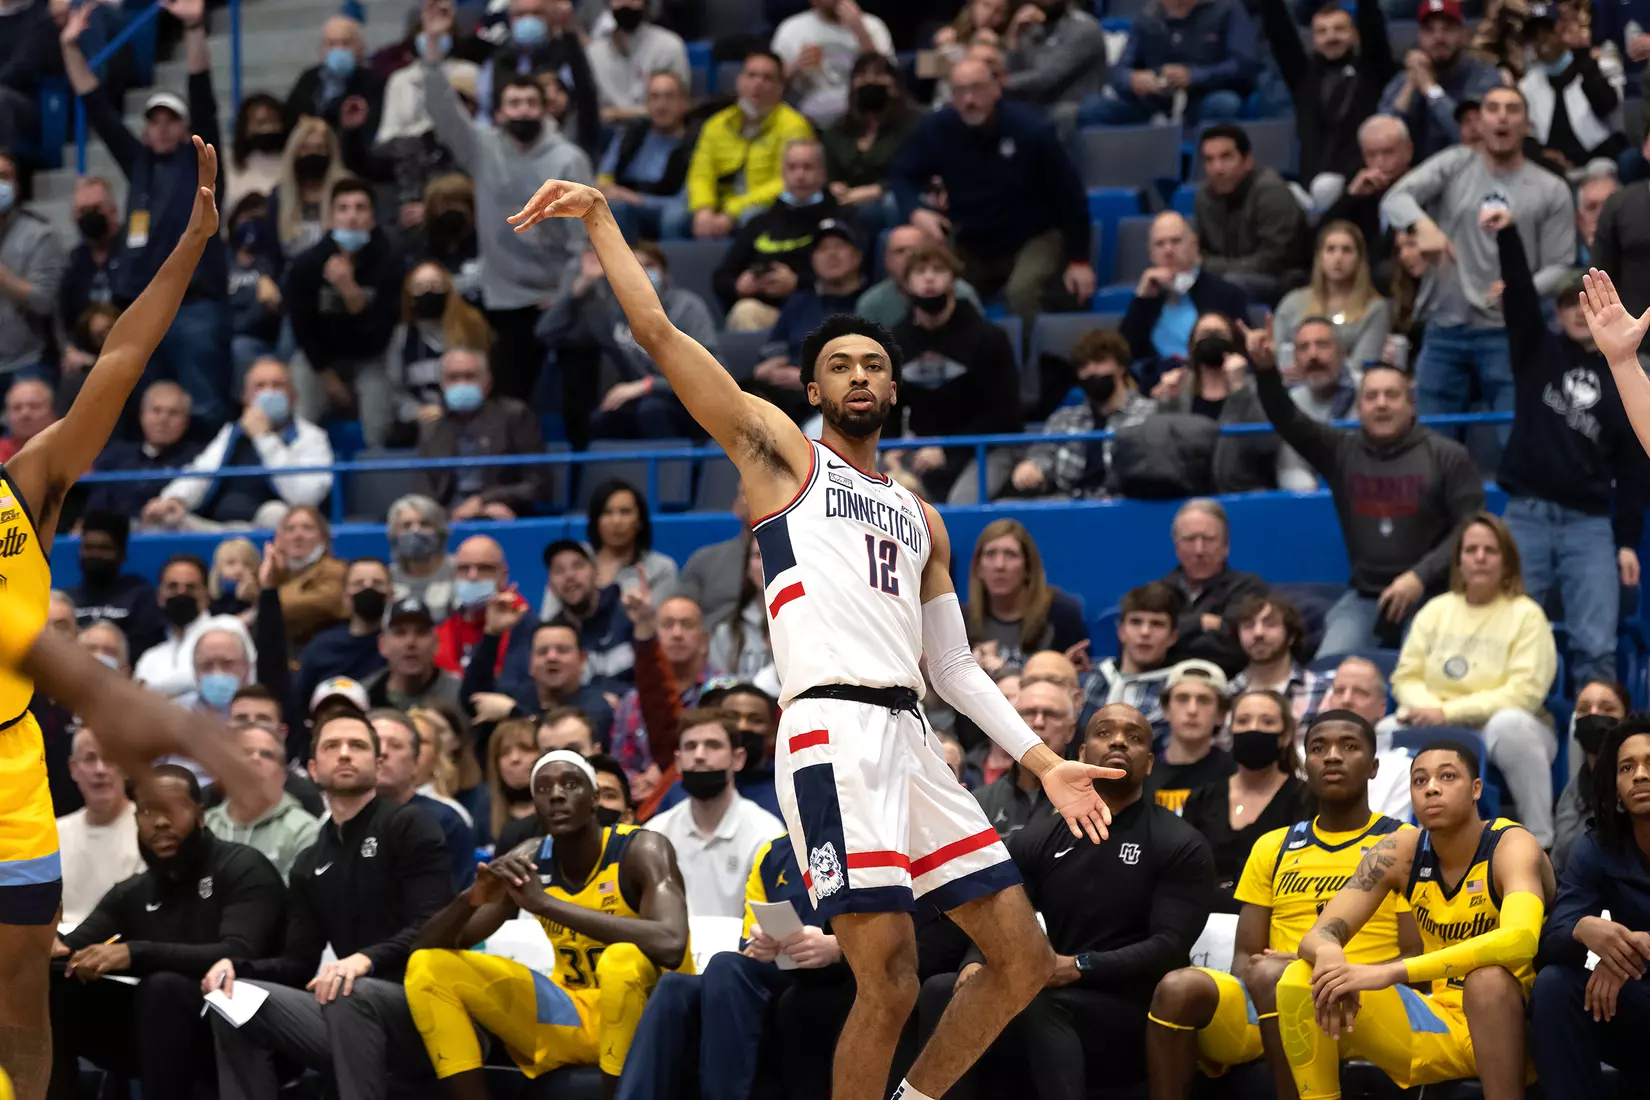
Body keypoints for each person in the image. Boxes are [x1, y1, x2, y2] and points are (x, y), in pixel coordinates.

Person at [511, 175, 1123, 1100]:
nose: (860, 377)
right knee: (887, 980)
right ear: (812, 387)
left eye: (874, 365)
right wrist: (601, 220)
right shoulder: (782, 456)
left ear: (894, 386)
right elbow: (664, 339)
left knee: (1024, 960)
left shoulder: (922, 515)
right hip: (830, 735)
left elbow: (952, 663)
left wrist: (1041, 762)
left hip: (913, 739)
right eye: (841, 365)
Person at [0, 127, 226, 1100]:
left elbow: (122, 357)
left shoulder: (25, 484)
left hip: (12, 771)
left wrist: (188, 243)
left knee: (21, 1003)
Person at [1146, 709, 1419, 1100]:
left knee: (1279, 976)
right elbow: (1245, 957)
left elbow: (1414, 957)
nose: (1333, 756)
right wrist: (1284, 982)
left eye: (1349, 746)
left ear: (1373, 767)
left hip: (1358, 1003)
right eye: (1319, 748)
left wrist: (1319, 976)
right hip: (1270, 1000)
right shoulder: (1273, 845)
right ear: (1305, 766)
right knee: (1178, 987)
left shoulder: (1403, 843)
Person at [1274, 741, 1557, 1100]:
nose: (1431, 788)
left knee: (1487, 981)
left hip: (1514, 1028)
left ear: (1476, 789)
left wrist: (1392, 972)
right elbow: (1319, 934)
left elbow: (1519, 939)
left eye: (1447, 776)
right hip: (1439, 1021)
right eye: (1419, 781)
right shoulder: (1400, 850)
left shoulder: (1510, 844)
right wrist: (1329, 952)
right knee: (1301, 977)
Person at [404, 748, 694, 1093]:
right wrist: (470, 900)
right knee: (427, 966)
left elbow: (672, 943)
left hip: (656, 1018)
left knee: (621, 960)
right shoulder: (528, 858)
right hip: (575, 1015)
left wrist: (546, 906)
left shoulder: (640, 849)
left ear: (595, 798)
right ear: (535, 804)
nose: (556, 795)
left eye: (571, 784)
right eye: (543, 789)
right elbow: (427, 946)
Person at [203, 709, 454, 1100]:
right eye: (332, 746)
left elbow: (436, 925)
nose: (345, 754)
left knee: (347, 990)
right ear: (314, 769)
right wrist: (237, 968)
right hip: (347, 1008)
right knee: (232, 998)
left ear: (377, 762)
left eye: (358, 746)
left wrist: (365, 959)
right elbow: (298, 962)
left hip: (419, 1006)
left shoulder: (408, 825)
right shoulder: (310, 860)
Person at [49, 765, 286, 1100]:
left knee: (163, 989)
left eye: (172, 810)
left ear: (201, 816)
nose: (159, 822)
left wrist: (134, 953)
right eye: (146, 812)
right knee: (53, 986)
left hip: (242, 1025)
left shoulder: (243, 867)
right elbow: (69, 948)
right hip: (157, 1029)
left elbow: (239, 952)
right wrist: (46, 948)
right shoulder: (132, 892)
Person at [1246, 330, 1485, 657]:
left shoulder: (1448, 455)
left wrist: (1419, 576)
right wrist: (1265, 371)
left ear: (1410, 404)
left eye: (1391, 395)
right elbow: (1288, 420)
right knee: (1327, 672)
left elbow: (1472, 527)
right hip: (1364, 597)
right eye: (1371, 397)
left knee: (1423, 678)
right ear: (1359, 407)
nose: (1382, 404)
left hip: (1434, 596)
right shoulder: (1340, 451)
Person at [1490, 216, 1646, 690]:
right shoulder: (1536, 351)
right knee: (1507, 643)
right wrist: (1507, 233)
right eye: (1568, 304)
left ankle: (1595, 752)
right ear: (1557, 314)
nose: (1579, 313)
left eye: (1586, 304)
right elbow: (1517, 298)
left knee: (1596, 648)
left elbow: (1636, 468)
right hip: (1526, 514)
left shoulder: (1626, 378)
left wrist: (1625, 540)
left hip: (1590, 522)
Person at [60, 1, 231, 431]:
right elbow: (97, 108)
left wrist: (193, 29)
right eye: (153, 119)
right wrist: (71, 50)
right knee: (141, 411)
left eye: (171, 119)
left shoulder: (202, 164)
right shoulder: (138, 164)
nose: (161, 127)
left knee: (205, 403)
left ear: (183, 125)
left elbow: (202, 94)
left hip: (194, 305)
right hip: (142, 308)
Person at [420, 2, 595, 402]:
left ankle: (581, 461)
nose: (523, 111)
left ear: (544, 109)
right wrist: (433, 45)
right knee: (509, 398)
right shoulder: (482, 148)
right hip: (507, 297)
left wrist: (567, 292)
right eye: (514, 104)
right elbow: (442, 110)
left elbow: (583, 238)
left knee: (577, 396)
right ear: (498, 113)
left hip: (564, 293)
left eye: (531, 103)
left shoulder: (568, 158)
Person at [1381, 85, 1577, 421]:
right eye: (1493, 109)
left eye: (1512, 109)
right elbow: (1395, 198)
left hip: (1509, 332)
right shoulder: (1455, 163)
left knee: (1514, 436)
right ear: (1480, 123)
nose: (1502, 116)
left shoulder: (1551, 188)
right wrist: (1421, 226)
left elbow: (1561, 265)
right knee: (1431, 439)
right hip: (1445, 326)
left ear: (1528, 124)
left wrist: (1521, 288)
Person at [1390, 512, 1560, 845]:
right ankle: (1389, 843)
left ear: (1506, 561)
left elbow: (1525, 693)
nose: (1480, 557)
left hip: (1504, 726)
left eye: (1490, 550)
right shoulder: (1436, 610)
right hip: (1437, 722)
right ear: (1459, 561)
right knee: (1381, 733)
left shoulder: (1526, 615)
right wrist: (1431, 711)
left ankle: (1542, 844)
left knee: (1510, 726)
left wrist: (1448, 713)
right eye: (1471, 550)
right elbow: (1405, 677)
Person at [890, 56, 1095, 328]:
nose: (969, 99)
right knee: (931, 285)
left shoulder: (1031, 130)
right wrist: (916, 211)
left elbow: (1071, 195)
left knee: (1021, 293)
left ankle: (1027, 366)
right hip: (970, 239)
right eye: (960, 92)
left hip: (1033, 236)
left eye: (977, 88)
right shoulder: (937, 129)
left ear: (996, 88)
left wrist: (1079, 259)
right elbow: (901, 172)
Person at [1531, 715, 1650, 1097]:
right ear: (1615, 790)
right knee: (1554, 986)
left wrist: (1626, 958)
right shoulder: (1598, 845)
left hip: (1634, 979)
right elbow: (1551, 939)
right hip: (1637, 1006)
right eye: (1627, 767)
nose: (1640, 776)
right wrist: (1583, 929)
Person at [538, 241, 718, 442]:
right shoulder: (613, 313)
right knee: (603, 419)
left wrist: (647, 385)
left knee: (652, 409)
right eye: (632, 266)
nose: (641, 272)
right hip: (641, 399)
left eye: (648, 266)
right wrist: (581, 288)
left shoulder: (688, 308)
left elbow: (707, 374)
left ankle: (676, 472)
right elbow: (547, 332)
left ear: (665, 273)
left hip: (690, 402)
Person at [887, 239, 1022, 505]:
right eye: (920, 272)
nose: (929, 279)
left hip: (987, 447)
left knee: (962, 504)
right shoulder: (894, 342)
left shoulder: (989, 337)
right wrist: (891, 448)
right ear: (906, 284)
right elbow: (889, 405)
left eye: (938, 271)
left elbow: (1005, 413)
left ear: (953, 281)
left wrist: (948, 448)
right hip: (921, 450)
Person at [142, 358, 335, 532]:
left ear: (293, 395)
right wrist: (175, 499)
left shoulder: (311, 437)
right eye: (260, 386)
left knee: (275, 513)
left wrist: (264, 437)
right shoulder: (232, 432)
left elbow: (305, 498)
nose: (269, 392)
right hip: (218, 529)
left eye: (278, 385)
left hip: (270, 531)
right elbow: (200, 472)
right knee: (162, 519)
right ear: (246, 397)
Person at [285, 178, 406, 446]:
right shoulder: (308, 264)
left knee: (378, 424)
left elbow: (381, 336)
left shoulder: (390, 263)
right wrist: (327, 376)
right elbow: (302, 328)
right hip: (320, 358)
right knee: (303, 408)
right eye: (343, 208)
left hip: (371, 356)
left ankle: (376, 474)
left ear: (373, 218)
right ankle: (302, 463)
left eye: (360, 208)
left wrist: (352, 294)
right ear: (330, 218)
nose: (352, 217)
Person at [643, 709, 785, 917]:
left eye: (713, 745)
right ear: (679, 761)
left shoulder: (766, 832)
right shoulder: (656, 833)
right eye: (690, 747)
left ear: (738, 759)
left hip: (743, 948)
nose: (699, 756)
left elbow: (775, 921)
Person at [1258, 0, 1395, 207]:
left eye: (1339, 29)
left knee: (1326, 186)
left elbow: (1373, 26)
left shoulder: (1371, 71)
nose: (1331, 37)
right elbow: (1279, 32)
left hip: (1359, 186)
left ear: (1355, 35)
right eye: (1322, 31)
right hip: (1310, 189)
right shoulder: (1303, 77)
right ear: (1313, 40)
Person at [1182, 689, 1310, 909]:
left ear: (1286, 735)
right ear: (1231, 730)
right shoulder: (1203, 798)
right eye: (1243, 721)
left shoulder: (1306, 798)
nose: (1253, 729)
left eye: (1267, 722)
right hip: (1203, 924)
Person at [711, 138, 854, 329]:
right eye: (792, 168)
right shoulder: (760, 222)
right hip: (767, 311)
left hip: (819, 310)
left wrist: (797, 282)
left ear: (822, 174)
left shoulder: (841, 218)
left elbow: (851, 276)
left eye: (807, 167)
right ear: (783, 173)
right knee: (745, 311)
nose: (800, 175)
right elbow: (721, 276)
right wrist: (740, 284)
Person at [1013, 328, 1157, 498]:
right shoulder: (1064, 418)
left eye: (1099, 361)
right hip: (1070, 503)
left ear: (1121, 366)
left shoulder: (1151, 414)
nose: (1091, 371)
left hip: (1128, 504)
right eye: (1084, 366)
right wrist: (1032, 467)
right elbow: (1043, 454)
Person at [686, 49, 816, 238]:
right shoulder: (716, 124)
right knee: (675, 218)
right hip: (719, 202)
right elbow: (700, 172)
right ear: (739, 81)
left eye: (767, 78)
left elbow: (788, 181)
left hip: (763, 202)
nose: (758, 83)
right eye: (751, 75)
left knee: (751, 217)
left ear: (780, 88)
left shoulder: (794, 126)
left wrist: (733, 210)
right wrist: (703, 208)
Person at [417, 347, 548, 519]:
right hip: (449, 520)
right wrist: (451, 515)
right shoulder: (432, 428)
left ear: (488, 383)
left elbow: (539, 484)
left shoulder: (514, 416)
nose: (461, 384)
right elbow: (423, 495)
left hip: (502, 514)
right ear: (443, 385)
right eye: (453, 378)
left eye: (470, 376)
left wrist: (484, 501)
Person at [1083, 0, 1258, 125]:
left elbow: (1243, 66)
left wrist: (1193, 76)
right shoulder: (1148, 16)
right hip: (1154, 100)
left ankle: (1208, 168)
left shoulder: (1228, 9)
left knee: (1223, 103)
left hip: (1203, 96)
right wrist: (1133, 79)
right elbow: (1118, 71)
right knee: (1093, 109)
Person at [1193, 124, 1311, 305]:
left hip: (1281, 281)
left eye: (1226, 157)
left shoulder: (1271, 192)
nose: (1217, 168)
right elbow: (1194, 254)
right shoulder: (1204, 198)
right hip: (1229, 276)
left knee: (1229, 283)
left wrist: (1211, 266)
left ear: (1247, 161)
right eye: (1209, 160)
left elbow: (1272, 261)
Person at [1120, 211, 1250, 372]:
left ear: (1194, 246)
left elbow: (1241, 351)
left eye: (1176, 241)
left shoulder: (1227, 294)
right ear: (1151, 254)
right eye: (1160, 244)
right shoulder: (1147, 298)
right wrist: (1142, 300)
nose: (1168, 250)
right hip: (1157, 384)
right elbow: (1123, 356)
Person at [1377, 0, 1505, 159]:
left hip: (1471, 170)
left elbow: (1474, 138)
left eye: (1448, 29)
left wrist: (1431, 89)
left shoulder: (1485, 78)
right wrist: (1410, 86)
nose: (1439, 37)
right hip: (1417, 175)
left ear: (1463, 35)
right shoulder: (1404, 79)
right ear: (1419, 36)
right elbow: (1382, 140)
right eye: (1429, 30)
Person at [963, 518, 1090, 669]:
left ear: (1028, 568)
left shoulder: (1061, 615)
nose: (999, 565)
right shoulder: (962, 620)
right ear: (978, 568)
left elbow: (1078, 679)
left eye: (1010, 554)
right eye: (990, 554)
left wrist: (1004, 672)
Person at [372, 709, 476, 891]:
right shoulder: (337, 819)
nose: (383, 753)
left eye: (395, 745)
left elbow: (458, 903)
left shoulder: (445, 821)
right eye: (373, 744)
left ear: (415, 761)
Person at [1161, 498, 1267, 676]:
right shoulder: (1158, 593)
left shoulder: (1248, 588)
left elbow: (1235, 649)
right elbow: (1139, 647)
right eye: (1189, 539)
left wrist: (1172, 636)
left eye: (1209, 539)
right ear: (1177, 548)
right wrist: (1201, 622)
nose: (1199, 550)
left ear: (1226, 546)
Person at [204, 721, 322, 879]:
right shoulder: (206, 825)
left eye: (266, 755)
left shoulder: (305, 831)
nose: (255, 759)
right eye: (245, 752)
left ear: (282, 775)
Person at [1272, 222, 1392, 375]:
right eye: (1330, 250)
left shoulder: (1375, 308)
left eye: (1347, 250)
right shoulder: (1292, 302)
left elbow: (1361, 367)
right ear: (1320, 256)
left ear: (1359, 258)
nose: (1338, 258)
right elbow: (1278, 356)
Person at [54, 727, 142, 933]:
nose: (100, 770)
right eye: (90, 759)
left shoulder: (149, 831)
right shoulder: (54, 833)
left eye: (110, 758)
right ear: (73, 768)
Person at [1519, 2, 1624, 173]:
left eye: (1548, 31)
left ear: (1563, 29)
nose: (1542, 41)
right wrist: (1542, 155)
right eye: (1534, 36)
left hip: (1598, 160)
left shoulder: (1603, 66)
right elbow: (1527, 135)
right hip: (1551, 169)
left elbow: (1606, 106)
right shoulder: (1527, 85)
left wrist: (1582, 52)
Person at [821, 53, 918, 231]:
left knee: (886, 206)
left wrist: (878, 190)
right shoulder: (837, 130)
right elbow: (829, 173)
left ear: (895, 85)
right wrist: (834, 186)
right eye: (862, 76)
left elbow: (918, 171)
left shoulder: (914, 124)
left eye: (879, 75)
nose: (870, 81)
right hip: (847, 202)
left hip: (892, 199)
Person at [596, 70, 695, 241]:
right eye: (654, 97)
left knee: (674, 217)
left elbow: (684, 201)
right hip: (626, 207)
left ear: (683, 103)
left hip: (668, 209)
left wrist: (634, 199)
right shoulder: (631, 135)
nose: (661, 105)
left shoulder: (695, 141)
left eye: (669, 97)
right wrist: (606, 188)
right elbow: (604, 176)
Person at [82, 380, 203, 521]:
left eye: (173, 413)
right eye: (156, 411)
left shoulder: (198, 460)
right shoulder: (114, 457)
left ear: (186, 421)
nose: (163, 419)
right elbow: (96, 506)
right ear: (142, 415)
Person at [975, 679, 1078, 839]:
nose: (1038, 722)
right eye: (1028, 713)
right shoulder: (981, 803)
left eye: (1051, 715)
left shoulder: (1086, 799)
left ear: (1070, 731)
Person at [294, 556, 391, 720]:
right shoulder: (321, 647)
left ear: (390, 594)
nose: (368, 589)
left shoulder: (399, 646)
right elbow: (299, 705)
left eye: (377, 583)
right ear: (346, 597)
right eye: (359, 584)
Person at [1321, 116, 1415, 284]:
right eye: (1371, 155)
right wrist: (1351, 197)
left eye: (1388, 152)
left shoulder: (1425, 188)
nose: (1380, 163)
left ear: (1408, 150)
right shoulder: (1360, 187)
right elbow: (1320, 239)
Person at [438, 534, 537, 693]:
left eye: (484, 568)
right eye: (464, 568)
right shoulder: (443, 626)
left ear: (503, 575)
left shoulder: (526, 625)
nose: (473, 576)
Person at [772, 0, 895, 125]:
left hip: (864, 119)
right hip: (808, 122)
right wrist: (796, 67)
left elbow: (891, 81)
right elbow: (772, 88)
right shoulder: (791, 29)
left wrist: (860, 32)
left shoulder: (872, 25)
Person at [1084, 581, 1182, 736]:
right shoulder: (1090, 677)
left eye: (1157, 624)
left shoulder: (1178, 691)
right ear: (1121, 631)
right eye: (1136, 622)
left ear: (1172, 636)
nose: (1145, 632)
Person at [1552, 680, 1631, 871]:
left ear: (1626, 720)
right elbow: (1561, 858)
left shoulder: (1638, 782)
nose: (1594, 715)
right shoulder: (1573, 790)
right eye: (1584, 709)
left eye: (1607, 709)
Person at [531, 539, 634, 686]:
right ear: (550, 585)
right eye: (559, 570)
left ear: (596, 573)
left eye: (578, 566)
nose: (569, 576)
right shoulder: (550, 634)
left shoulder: (627, 616)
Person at [0, 152, 63, 384]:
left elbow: (45, 301)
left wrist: (4, 278)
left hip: (27, 361)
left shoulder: (39, 235)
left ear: (16, 185)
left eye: (4, 176)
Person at [66, 511, 165, 658]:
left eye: (104, 548)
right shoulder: (66, 600)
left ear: (122, 554)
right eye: (88, 547)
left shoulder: (140, 597)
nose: (95, 554)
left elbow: (143, 649)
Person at [855, 224, 984, 330]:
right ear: (886, 260)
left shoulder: (963, 294)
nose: (908, 257)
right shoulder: (871, 304)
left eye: (915, 249)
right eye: (900, 251)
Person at [1227, 595, 1331, 726]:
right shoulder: (1226, 695)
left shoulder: (1322, 691)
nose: (1258, 633)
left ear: (1291, 636)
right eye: (1248, 626)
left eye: (1270, 624)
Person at [1146, 660, 1235, 812]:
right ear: (1166, 710)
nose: (1192, 710)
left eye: (1204, 700)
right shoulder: (1144, 774)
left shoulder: (1235, 776)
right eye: (1182, 699)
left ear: (1221, 714)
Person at [586, 0, 690, 122]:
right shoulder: (592, 53)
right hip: (605, 133)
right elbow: (587, 110)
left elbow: (677, 105)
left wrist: (616, 114)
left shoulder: (669, 46)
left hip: (654, 130)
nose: (626, 3)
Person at [285, 16, 385, 136]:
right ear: (322, 49)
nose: (339, 49)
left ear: (360, 47)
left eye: (346, 43)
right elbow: (292, 114)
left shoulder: (373, 81)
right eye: (331, 44)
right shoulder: (309, 77)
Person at [132, 554, 213, 700]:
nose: (181, 593)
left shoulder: (225, 630)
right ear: (160, 596)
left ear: (206, 595)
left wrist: (151, 690)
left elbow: (211, 680)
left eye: (191, 587)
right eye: (172, 587)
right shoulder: (150, 658)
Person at [366, 598, 465, 716]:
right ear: (383, 644)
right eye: (400, 633)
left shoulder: (461, 695)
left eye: (421, 632)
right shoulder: (366, 695)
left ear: (436, 643)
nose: (411, 642)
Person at [387, 494, 456, 622]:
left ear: (439, 531)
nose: (415, 531)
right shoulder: (387, 577)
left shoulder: (460, 570)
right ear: (394, 533)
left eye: (425, 524)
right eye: (407, 525)